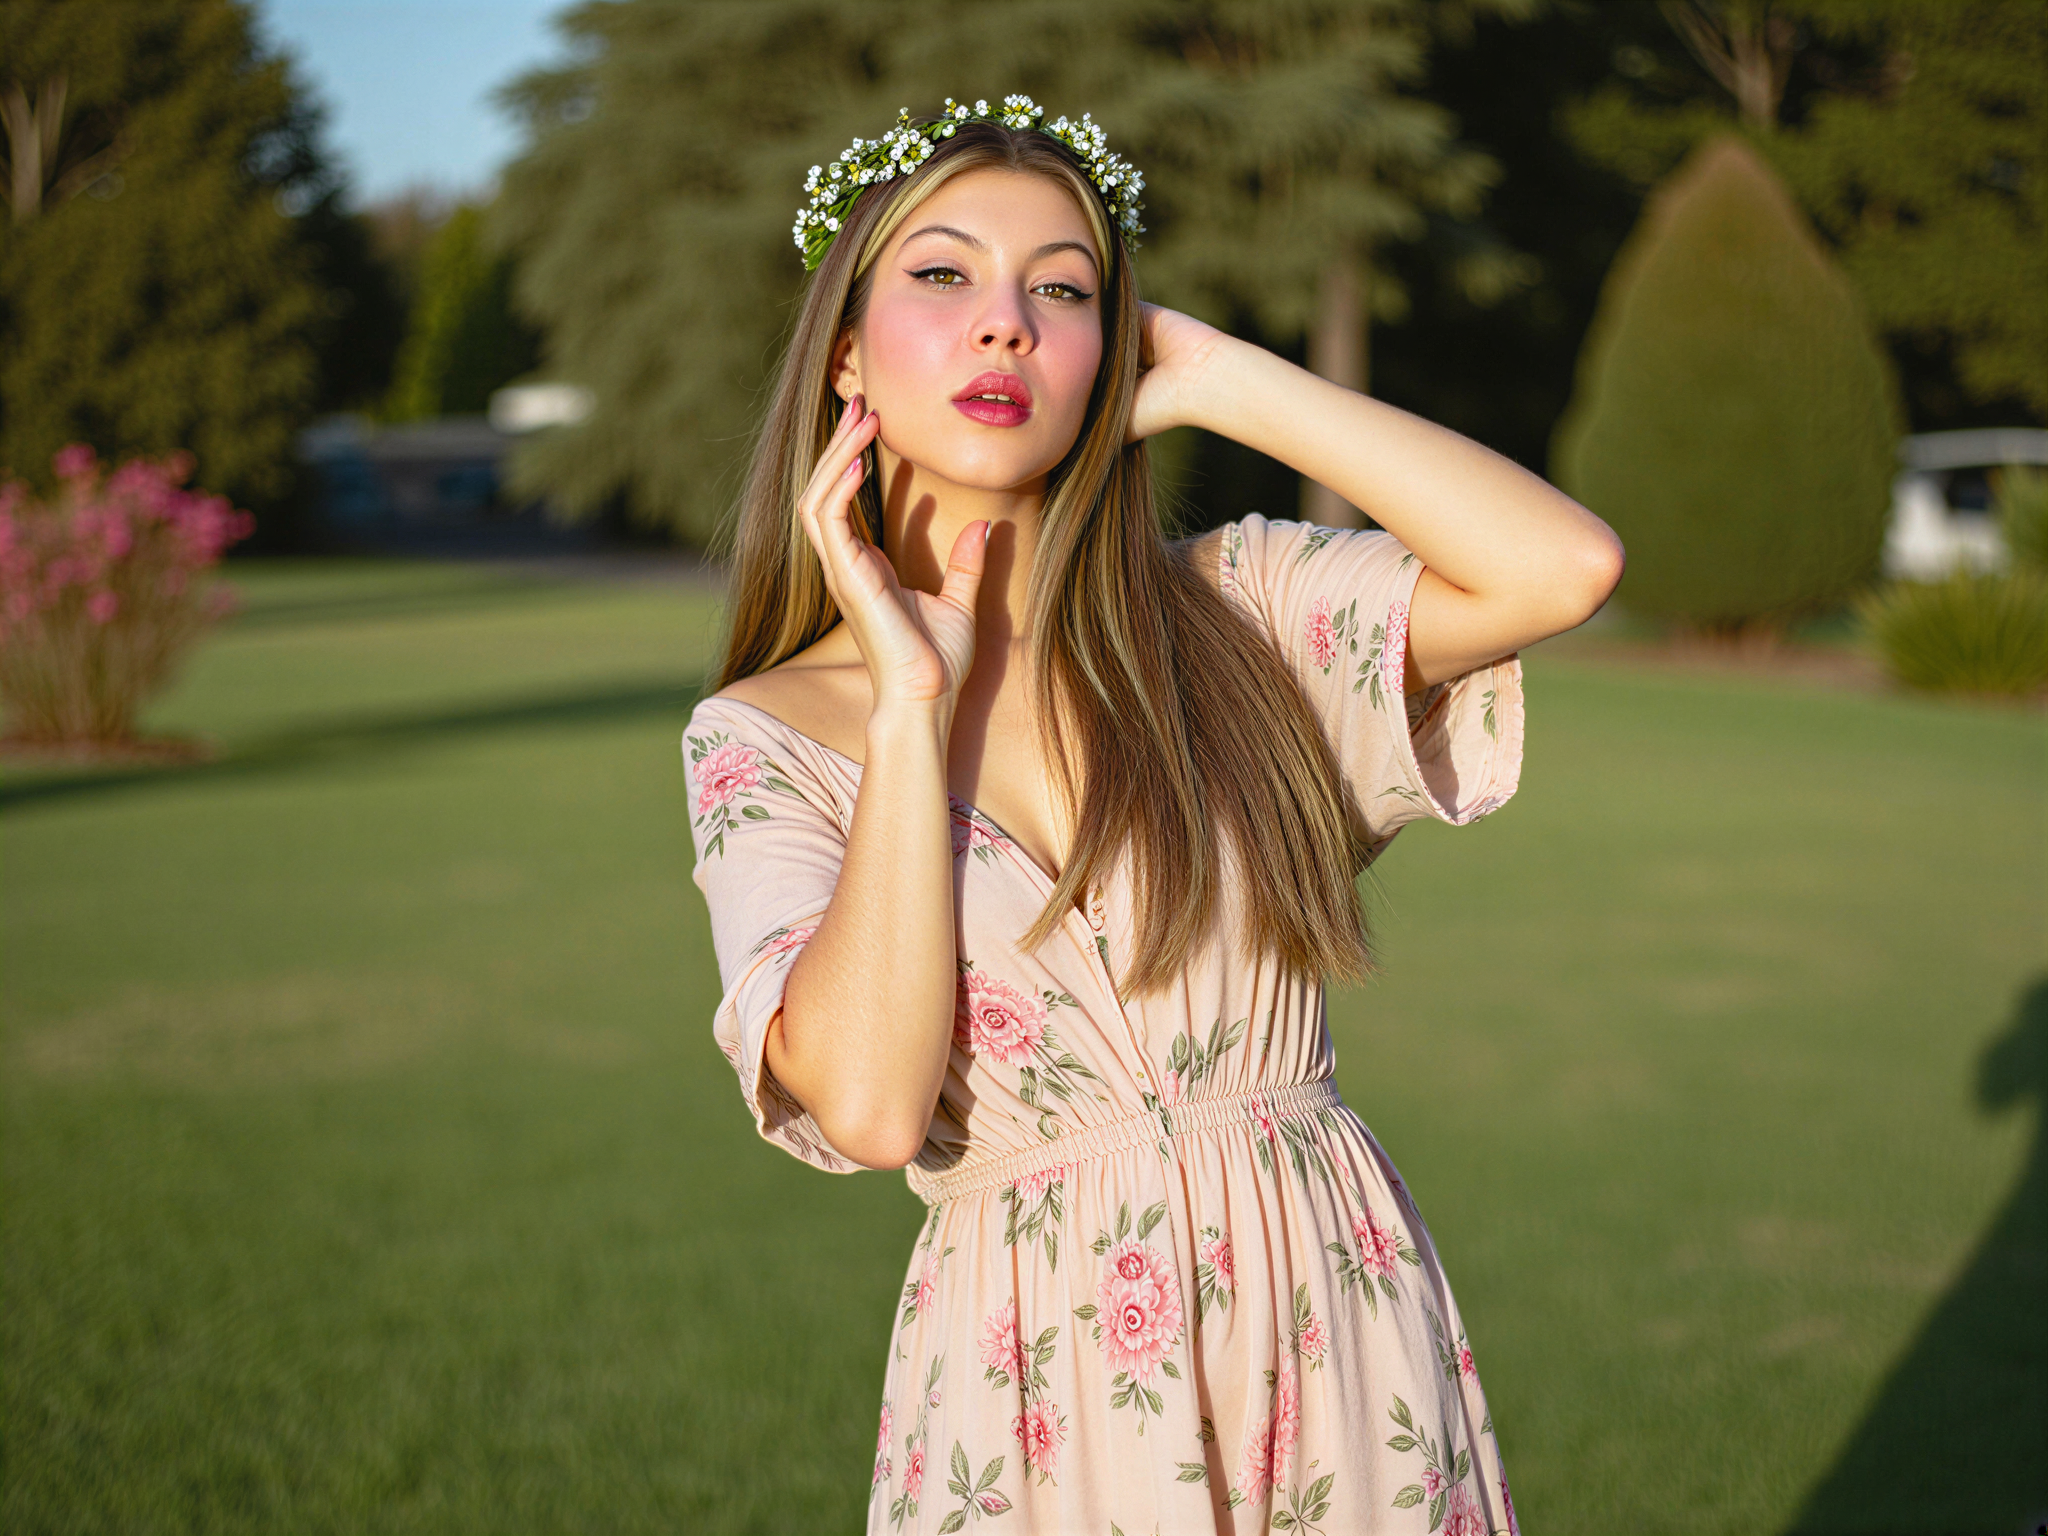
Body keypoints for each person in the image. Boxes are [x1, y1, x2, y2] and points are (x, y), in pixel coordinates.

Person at [684, 96, 1622, 1535]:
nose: (1007, 324)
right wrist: (904, 698)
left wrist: (1221, 379)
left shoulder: (1241, 611)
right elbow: (869, 1107)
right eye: (943, 275)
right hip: (1038, 1389)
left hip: (1337, 1336)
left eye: (1061, 290)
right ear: (848, 352)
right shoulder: (765, 736)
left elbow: (1561, 564)